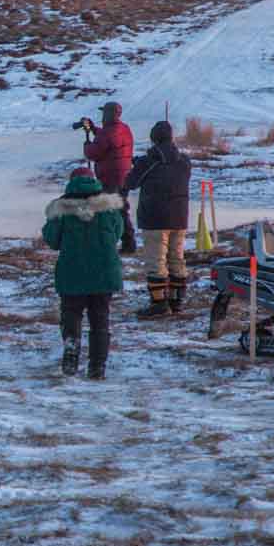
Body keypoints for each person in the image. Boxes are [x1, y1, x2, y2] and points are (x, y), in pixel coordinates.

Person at [42, 168, 124, 380]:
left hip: (72, 271)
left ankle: (71, 353)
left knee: (71, 315)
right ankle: (97, 367)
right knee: (100, 319)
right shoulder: (109, 208)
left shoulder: (61, 209)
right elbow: (117, 234)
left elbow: (52, 240)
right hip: (104, 272)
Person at [124, 120, 193, 318]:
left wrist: (137, 164)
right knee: (176, 258)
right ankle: (176, 301)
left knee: (156, 261)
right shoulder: (184, 162)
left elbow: (131, 182)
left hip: (154, 217)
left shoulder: (149, 161)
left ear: (154, 139)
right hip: (179, 216)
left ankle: (159, 304)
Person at [81, 101, 137, 254]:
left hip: (110, 177)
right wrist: (93, 129)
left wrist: (87, 145)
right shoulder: (123, 129)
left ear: (108, 114)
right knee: (121, 209)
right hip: (124, 175)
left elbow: (93, 152)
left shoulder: (108, 132)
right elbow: (108, 139)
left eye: (104, 113)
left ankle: (111, 242)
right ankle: (128, 242)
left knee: (108, 210)